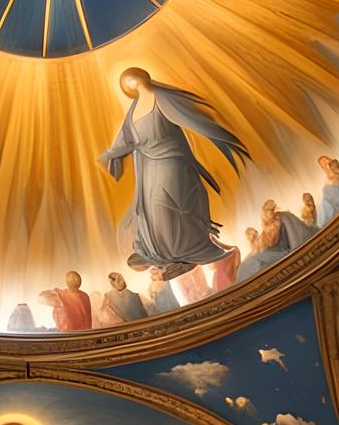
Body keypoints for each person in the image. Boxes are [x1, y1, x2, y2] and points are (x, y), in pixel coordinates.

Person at [98, 67, 250, 279]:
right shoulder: (133, 110)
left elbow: (193, 118)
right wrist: (109, 155)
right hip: (150, 168)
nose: (135, 83)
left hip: (171, 162)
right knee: (152, 209)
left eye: (135, 79)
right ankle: (163, 253)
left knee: (168, 205)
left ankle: (184, 252)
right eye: (131, 82)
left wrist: (221, 135)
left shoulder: (162, 97)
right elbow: (126, 139)